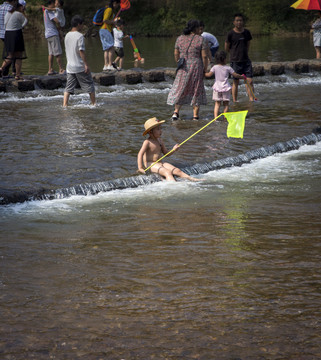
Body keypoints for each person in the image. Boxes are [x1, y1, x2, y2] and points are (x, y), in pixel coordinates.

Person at [167, 19, 208, 121]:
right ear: (196, 28)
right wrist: (205, 69)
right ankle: (195, 116)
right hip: (196, 66)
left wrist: (178, 62)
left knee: (181, 88)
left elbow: (176, 53)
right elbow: (204, 56)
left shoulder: (179, 38)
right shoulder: (201, 39)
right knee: (196, 89)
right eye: (199, 27)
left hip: (183, 67)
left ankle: (176, 112)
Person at [137, 117, 200, 181]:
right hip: (150, 164)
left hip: (160, 163)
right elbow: (140, 154)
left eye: (160, 128)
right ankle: (174, 186)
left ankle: (192, 179)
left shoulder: (160, 140)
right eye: (158, 129)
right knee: (167, 172)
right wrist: (140, 168)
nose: (161, 131)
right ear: (150, 132)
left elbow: (166, 153)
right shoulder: (147, 142)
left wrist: (174, 150)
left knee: (177, 170)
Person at [63, 15, 96, 107]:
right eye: (81, 24)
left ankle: (64, 105)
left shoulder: (67, 35)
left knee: (68, 88)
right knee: (90, 85)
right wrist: (86, 64)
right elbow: (81, 51)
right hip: (79, 66)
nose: (82, 26)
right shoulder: (80, 36)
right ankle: (94, 104)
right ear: (78, 24)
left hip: (69, 67)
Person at [205, 50, 245, 119]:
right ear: (224, 59)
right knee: (226, 105)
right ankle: (224, 118)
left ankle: (215, 118)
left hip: (217, 88)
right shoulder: (228, 68)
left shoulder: (215, 67)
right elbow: (235, 75)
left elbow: (208, 75)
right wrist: (242, 76)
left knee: (217, 104)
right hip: (226, 88)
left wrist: (203, 72)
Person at [225, 13, 254, 102]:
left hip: (246, 60)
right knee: (235, 82)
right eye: (237, 20)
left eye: (240, 20)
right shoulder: (230, 33)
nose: (239, 22)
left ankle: (251, 99)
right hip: (235, 61)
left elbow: (248, 44)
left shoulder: (246, 32)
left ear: (243, 22)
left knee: (249, 81)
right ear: (234, 22)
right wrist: (233, 54)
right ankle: (234, 100)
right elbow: (227, 47)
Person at [0, 0, 27, 80]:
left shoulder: (8, 14)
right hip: (16, 34)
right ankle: (17, 75)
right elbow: (25, 22)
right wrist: (20, 25)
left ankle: (1, 68)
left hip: (7, 34)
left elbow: (5, 23)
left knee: (10, 56)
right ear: (20, 7)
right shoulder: (18, 14)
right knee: (18, 56)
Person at [43, 0, 65, 75]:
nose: (55, 5)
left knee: (51, 53)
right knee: (58, 52)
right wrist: (60, 25)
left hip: (48, 34)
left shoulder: (45, 12)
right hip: (53, 34)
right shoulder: (49, 12)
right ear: (51, 4)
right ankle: (61, 69)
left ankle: (50, 69)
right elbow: (56, 21)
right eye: (54, 3)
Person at [100, 0, 120, 71]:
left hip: (103, 30)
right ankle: (110, 65)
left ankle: (106, 65)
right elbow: (105, 20)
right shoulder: (109, 9)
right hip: (106, 30)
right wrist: (113, 21)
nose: (118, 6)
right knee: (111, 47)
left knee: (106, 49)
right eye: (118, 4)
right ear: (114, 3)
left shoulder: (107, 9)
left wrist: (113, 22)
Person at [0, 0, 15, 76]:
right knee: (11, 54)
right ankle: (3, 70)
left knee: (9, 52)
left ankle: (5, 72)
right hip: (9, 33)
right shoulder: (11, 8)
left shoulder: (0, 7)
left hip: (1, 34)